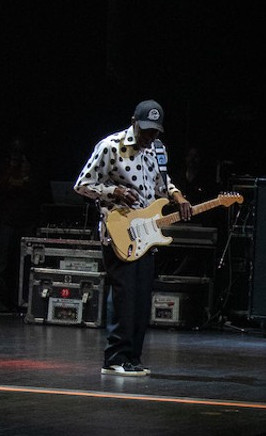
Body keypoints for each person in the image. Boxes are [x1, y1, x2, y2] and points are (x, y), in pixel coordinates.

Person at [75, 99, 192, 376]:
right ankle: (115, 358)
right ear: (133, 122)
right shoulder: (110, 146)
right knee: (125, 296)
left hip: (147, 233)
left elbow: (162, 184)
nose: (150, 137)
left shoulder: (158, 150)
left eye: (155, 132)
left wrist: (178, 196)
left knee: (140, 299)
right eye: (146, 130)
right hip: (119, 232)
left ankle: (132, 358)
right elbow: (82, 185)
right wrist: (113, 192)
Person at [0, 135, 43, 311]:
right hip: (5, 220)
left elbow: (34, 189)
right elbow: (0, 187)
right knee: (0, 264)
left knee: (27, 264)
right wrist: (12, 171)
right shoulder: (3, 167)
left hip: (26, 220)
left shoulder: (30, 168)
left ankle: (24, 300)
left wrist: (25, 175)